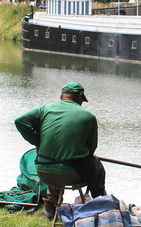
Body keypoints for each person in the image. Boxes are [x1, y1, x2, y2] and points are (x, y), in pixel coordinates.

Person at [14, 82, 106, 218]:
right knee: (96, 165)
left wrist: (36, 140)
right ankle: (101, 204)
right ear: (80, 97)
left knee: (56, 163)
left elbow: (19, 120)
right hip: (72, 174)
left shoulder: (44, 110)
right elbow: (91, 149)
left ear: (61, 96)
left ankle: (50, 206)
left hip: (44, 173)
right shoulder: (89, 116)